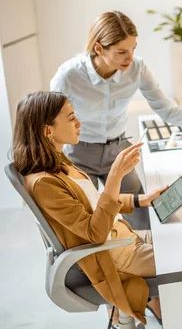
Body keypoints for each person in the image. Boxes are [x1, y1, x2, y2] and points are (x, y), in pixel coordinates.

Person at [50, 11, 182, 229]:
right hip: (78, 153)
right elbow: (50, 122)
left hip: (118, 152)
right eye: (122, 51)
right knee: (87, 220)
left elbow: (166, 108)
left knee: (145, 218)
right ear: (98, 48)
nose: (130, 58)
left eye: (133, 49)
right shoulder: (68, 75)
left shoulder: (137, 69)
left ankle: (147, 259)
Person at [12, 91, 165, 325]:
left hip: (124, 238)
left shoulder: (58, 162)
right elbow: (95, 233)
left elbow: (93, 202)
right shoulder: (45, 184)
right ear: (48, 131)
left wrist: (139, 200)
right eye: (71, 118)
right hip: (115, 253)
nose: (79, 123)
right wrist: (114, 176)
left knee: (181, 239)